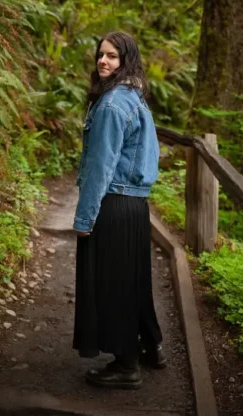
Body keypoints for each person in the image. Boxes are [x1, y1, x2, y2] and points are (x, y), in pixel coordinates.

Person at [72, 31, 166, 390]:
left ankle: (126, 366)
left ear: (126, 60)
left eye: (112, 56)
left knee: (113, 285)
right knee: (133, 282)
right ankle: (151, 348)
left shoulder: (112, 106)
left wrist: (84, 219)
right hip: (134, 205)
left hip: (113, 203)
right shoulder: (134, 97)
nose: (104, 61)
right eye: (101, 55)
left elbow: (101, 166)